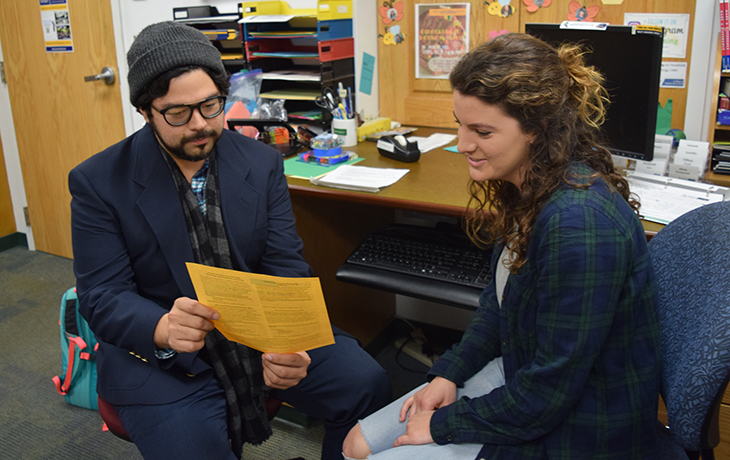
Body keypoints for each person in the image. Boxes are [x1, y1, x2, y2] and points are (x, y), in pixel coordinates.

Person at [69, 21, 390, 460]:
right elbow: (103, 295)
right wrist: (161, 327)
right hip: (162, 355)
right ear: (145, 111)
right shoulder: (99, 181)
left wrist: (289, 341)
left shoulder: (260, 163)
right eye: (178, 113)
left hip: (258, 332)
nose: (200, 124)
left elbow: (285, 265)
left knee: (366, 385)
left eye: (211, 105)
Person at [342, 33, 661, 460]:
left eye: (482, 131)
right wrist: (448, 374)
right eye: (459, 123)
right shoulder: (529, 185)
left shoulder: (580, 225)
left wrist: (442, 425)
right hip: (523, 374)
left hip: (577, 425)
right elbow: (500, 305)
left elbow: (548, 393)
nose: (463, 144)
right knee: (355, 445)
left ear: (538, 129)